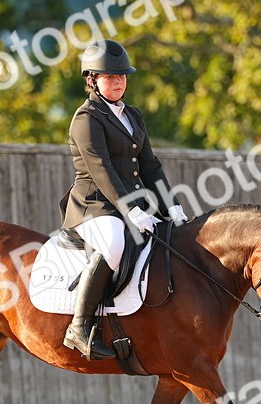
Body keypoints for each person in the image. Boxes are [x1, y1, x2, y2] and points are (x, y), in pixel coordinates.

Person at [58, 39, 188, 360]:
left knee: (173, 238)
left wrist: (170, 204)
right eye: (109, 77)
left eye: (122, 77)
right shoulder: (86, 118)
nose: (118, 81)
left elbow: (149, 165)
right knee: (115, 244)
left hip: (131, 204)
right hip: (94, 206)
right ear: (92, 80)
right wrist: (131, 210)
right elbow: (102, 170)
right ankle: (79, 325)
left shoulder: (133, 115)